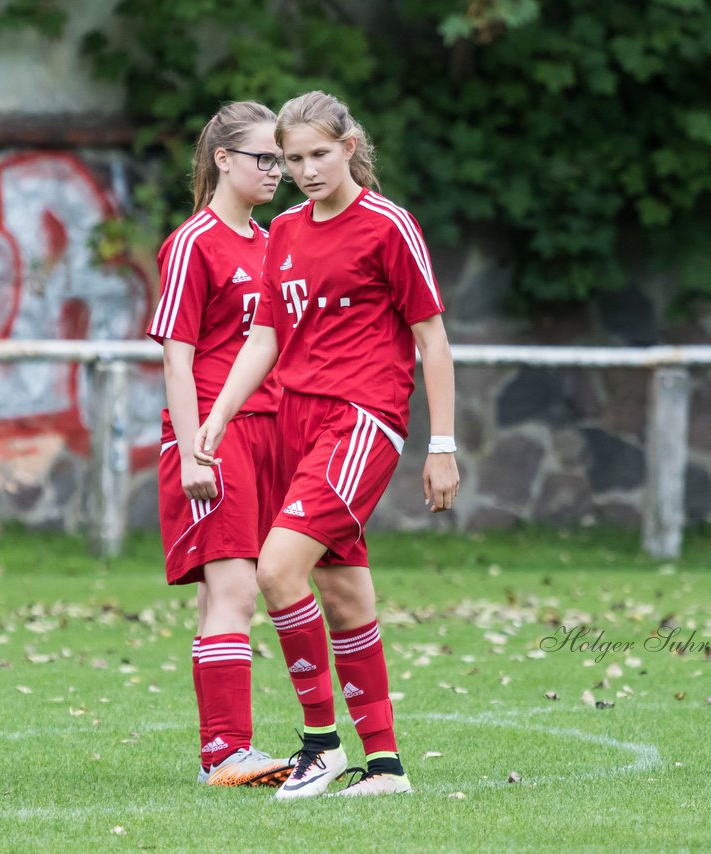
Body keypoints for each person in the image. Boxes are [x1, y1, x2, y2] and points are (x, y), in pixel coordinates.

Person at [195, 90, 459, 798]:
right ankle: (386, 768)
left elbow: (432, 339)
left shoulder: (387, 226)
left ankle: (320, 744)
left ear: (349, 147)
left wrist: (442, 445)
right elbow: (265, 338)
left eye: (319, 154)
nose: (307, 170)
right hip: (294, 422)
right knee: (342, 594)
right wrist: (219, 416)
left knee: (277, 572)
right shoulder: (282, 231)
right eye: (293, 158)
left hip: (361, 421)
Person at [147, 100, 293, 787]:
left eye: (283, 160)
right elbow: (177, 358)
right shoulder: (193, 242)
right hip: (212, 433)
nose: (278, 171)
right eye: (264, 157)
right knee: (233, 589)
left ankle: (227, 750)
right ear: (223, 160)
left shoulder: (273, 244)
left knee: (228, 598)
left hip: (273, 434)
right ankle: (226, 751)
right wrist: (193, 447)